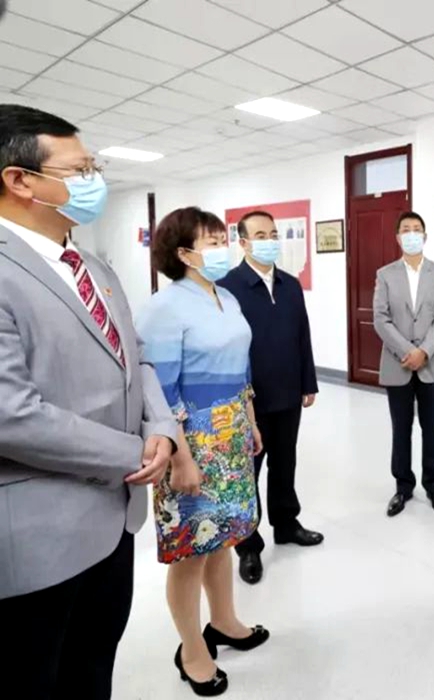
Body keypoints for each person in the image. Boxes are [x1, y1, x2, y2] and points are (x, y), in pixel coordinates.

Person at [0, 104, 175, 700]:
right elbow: (11, 415)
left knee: (94, 671)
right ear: (20, 180)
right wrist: (135, 451)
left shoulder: (93, 267)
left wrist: (163, 427)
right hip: (39, 538)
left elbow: (137, 357)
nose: (93, 180)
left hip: (114, 521)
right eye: (79, 170)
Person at [140, 207, 269, 697]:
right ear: (183, 253)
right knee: (190, 550)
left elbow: (241, 367)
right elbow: (159, 389)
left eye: (221, 239)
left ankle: (225, 621)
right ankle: (192, 650)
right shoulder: (164, 307)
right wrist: (180, 458)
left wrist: (249, 421)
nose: (222, 248)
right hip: (190, 441)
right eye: (211, 241)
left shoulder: (226, 297)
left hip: (231, 434)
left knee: (224, 537)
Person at [219, 210, 323, 586]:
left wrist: (308, 382)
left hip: (288, 393)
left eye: (273, 234)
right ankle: (248, 544)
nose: (269, 241)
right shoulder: (227, 288)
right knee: (248, 472)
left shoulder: (290, 285)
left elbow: (302, 336)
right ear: (243, 243)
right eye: (260, 235)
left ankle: (286, 522)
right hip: (248, 399)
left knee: (285, 462)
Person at [373, 212, 434, 517]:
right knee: (400, 428)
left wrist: (425, 352)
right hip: (398, 363)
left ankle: (433, 483)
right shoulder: (385, 274)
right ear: (398, 237)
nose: (411, 234)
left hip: (432, 362)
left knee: (431, 428)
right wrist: (409, 351)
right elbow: (381, 318)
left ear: (425, 236)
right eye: (406, 229)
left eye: (417, 229)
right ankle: (403, 486)